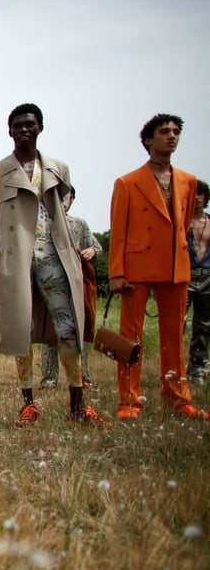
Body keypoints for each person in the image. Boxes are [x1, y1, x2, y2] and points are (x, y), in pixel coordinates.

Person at [0, 103, 104, 428]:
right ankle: (28, 403)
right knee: (21, 330)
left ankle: (77, 404)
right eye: (18, 124)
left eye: (30, 124)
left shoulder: (59, 169)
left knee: (69, 327)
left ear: (40, 128)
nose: (24, 129)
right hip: (15, 261)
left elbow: (60, 213)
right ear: (10, 131)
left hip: (54, 259)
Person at [109, 113, 208, 420]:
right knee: (130, 337)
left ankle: (178, 397)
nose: (172, 136)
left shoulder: (188, 182)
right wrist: (116, 273)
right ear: (148, 140)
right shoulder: (127, 183)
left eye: (176, 131)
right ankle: (129, 400)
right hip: (137, 266)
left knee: (174, 334)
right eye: (164, 131)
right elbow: (118, 230)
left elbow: (183, 226)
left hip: (175, 266)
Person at [39, 186, 102, 389]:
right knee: (50, 333)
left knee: (78, 331)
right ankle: (49, 379)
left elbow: (97, 247)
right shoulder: (43, 223)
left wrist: (91, 251)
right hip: (50, 281)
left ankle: (82, 376)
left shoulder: (79, 224)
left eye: (66, 197)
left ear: (72, 199)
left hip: (76, 282)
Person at [186, 179, 210, 385]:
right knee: (176, 324)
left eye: (200, 194)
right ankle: (173, 370)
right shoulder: (181, 223)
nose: (197, 198)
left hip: (207, 276)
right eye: (193, 194)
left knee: (203, 326)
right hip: (185, 275)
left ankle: (198, 369)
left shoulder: (209, 222)